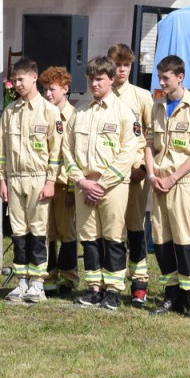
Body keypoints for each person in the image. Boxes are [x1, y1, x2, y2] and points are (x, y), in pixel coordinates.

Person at [62, 57, 136, 310]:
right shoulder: (79, 111)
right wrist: (81, 181)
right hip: (85, 185)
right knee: (89, 238)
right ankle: (94, 288)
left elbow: (128, 153)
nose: (94, 83)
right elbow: (66, 150)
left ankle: (114, 290)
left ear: (112, 80)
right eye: (91, 78)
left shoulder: (124, 113)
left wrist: (101, 184)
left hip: (112, 185)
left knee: (114, 237)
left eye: (100, 79)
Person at [147, 55, 190, 318]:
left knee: (185, 240)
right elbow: (149, 144)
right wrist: (153, 175)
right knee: (161, 240)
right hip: (158, 183)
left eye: (166, 78)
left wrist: (173, 178)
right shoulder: (157, 107)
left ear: (180, 77)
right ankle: (171, 297)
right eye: (159, 77)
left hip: (183, 181)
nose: (161, 82)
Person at [0, 58, 62, 302]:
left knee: (37, 231)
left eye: (21, 79)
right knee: (18, 231)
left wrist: (50, 181)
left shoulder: (49, 111)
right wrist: (2, 179)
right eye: (14, 80)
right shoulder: (10, 112)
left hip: (38, 178)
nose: (17, 84)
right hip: (15, 178)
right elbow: (2, 151)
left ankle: (37, 282)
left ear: (34, 78)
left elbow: (55, 151)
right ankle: (22, 280)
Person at [108, 43, 154, 304]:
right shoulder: (103, 95)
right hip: (109, 172)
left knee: (135, 226)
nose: (121, 70)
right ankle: (109, 281)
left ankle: (139, 282)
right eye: (117, 65)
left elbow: (153, 137)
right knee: (111, 228)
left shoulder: (141, 96)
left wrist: (145, 168)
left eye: (126, 65)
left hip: (135, 171)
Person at [40, 66, 77, 297]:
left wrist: (73, 186)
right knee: (47, 233)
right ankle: (49, 276)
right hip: (45, 182)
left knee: (67, 233)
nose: (47, 94)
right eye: (45, 90)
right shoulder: (44, 113)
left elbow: (76, 155)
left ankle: (69, 278)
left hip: (65, 184)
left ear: (65, 89)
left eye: (52, 90)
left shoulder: (74, 116)